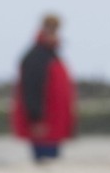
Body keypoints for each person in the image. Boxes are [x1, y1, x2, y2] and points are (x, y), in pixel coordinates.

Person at [11, 13, 77, 163]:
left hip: (55, 123)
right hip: (43, 124)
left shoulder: (52, 55)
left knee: (51, 161)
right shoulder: (36, 56)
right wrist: (36, 118)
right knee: (44, 161)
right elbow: (31, 89)